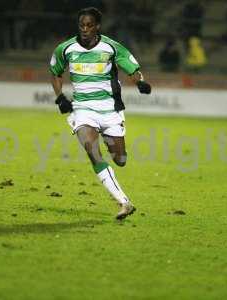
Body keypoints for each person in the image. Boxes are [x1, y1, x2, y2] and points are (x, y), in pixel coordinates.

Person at [49, 7, 152, 220]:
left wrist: (140, 82)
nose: (85, 29)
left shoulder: (111, 47)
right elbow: (56, 73)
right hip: (83, 110)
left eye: (89, 25)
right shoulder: (65, 48)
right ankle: (124, 202)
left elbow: (131, 69)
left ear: (97, 27)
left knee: (120, 159)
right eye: (81, 25)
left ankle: (107, 137)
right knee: (91, 150)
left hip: (110, 110)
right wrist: (60, 97)